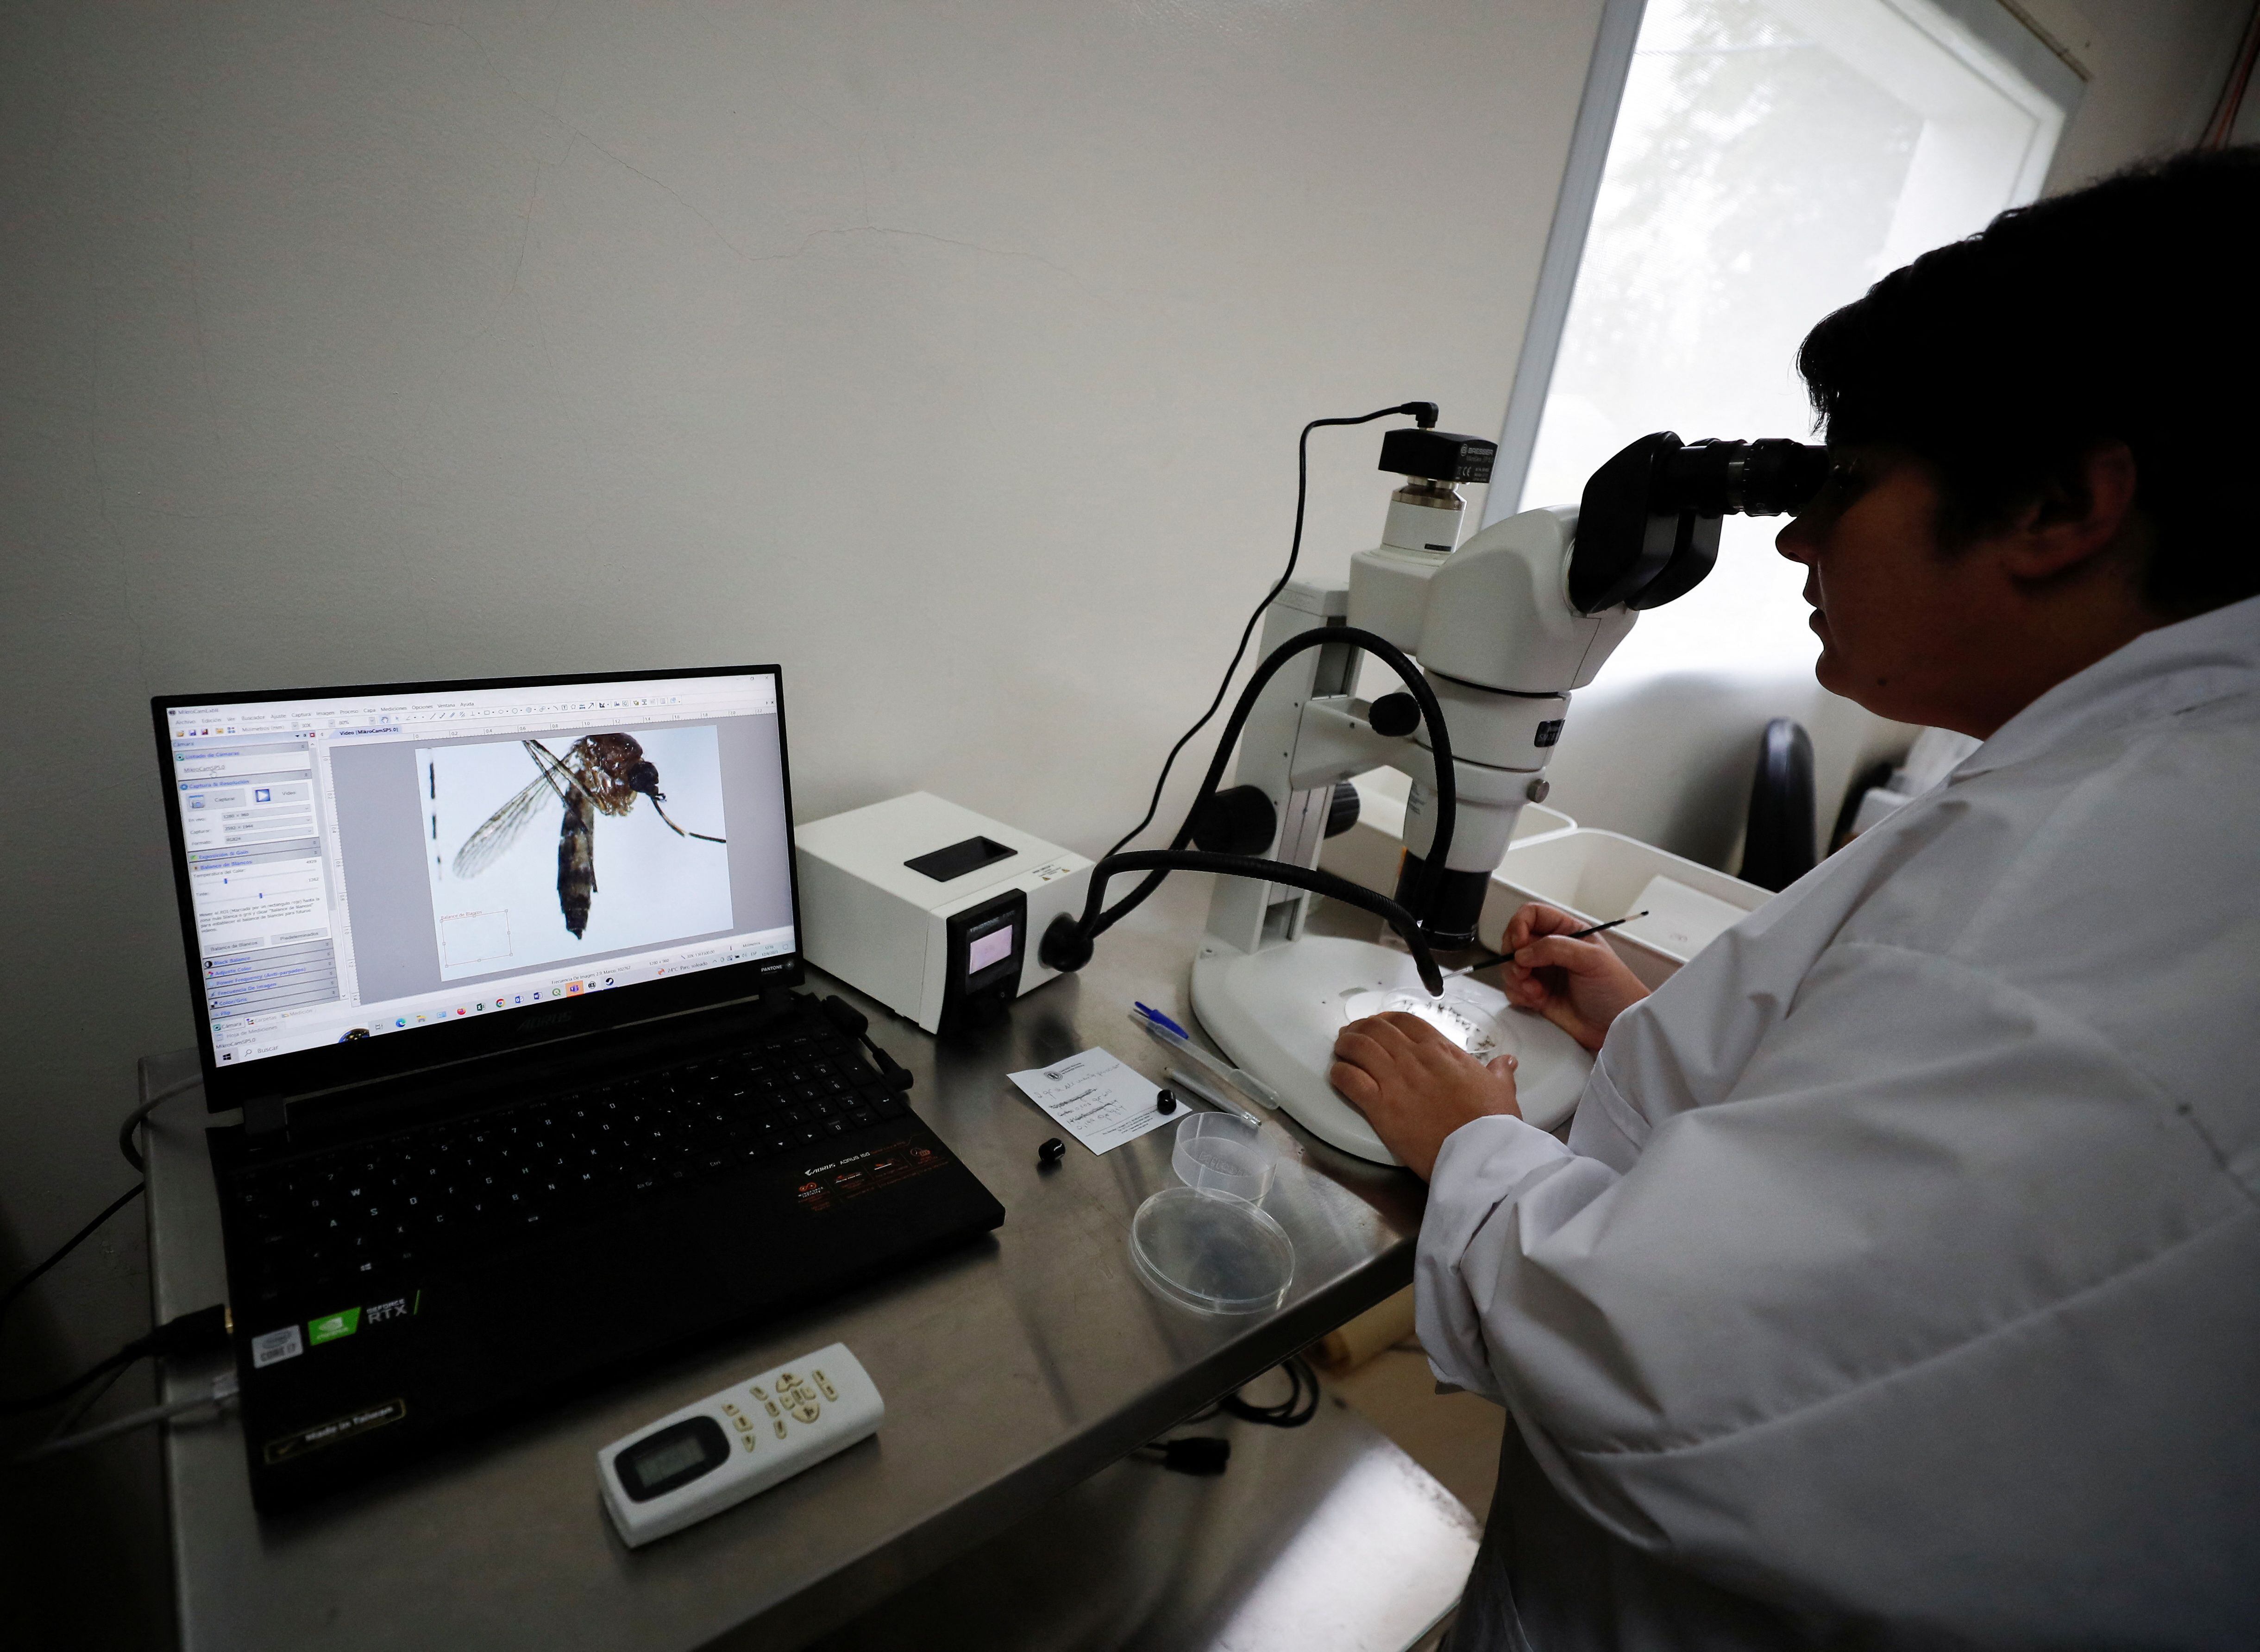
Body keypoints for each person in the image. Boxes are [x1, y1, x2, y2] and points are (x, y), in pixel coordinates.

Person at [1330, 147, 2260, 1648]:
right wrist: (1657, 1021)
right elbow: (1939, 1166)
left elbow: (1674, 1372)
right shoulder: (2147, 795)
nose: (1799, 535)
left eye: (1845, 485)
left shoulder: (2101, 871)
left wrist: (1477, 1143)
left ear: (2057, 505)